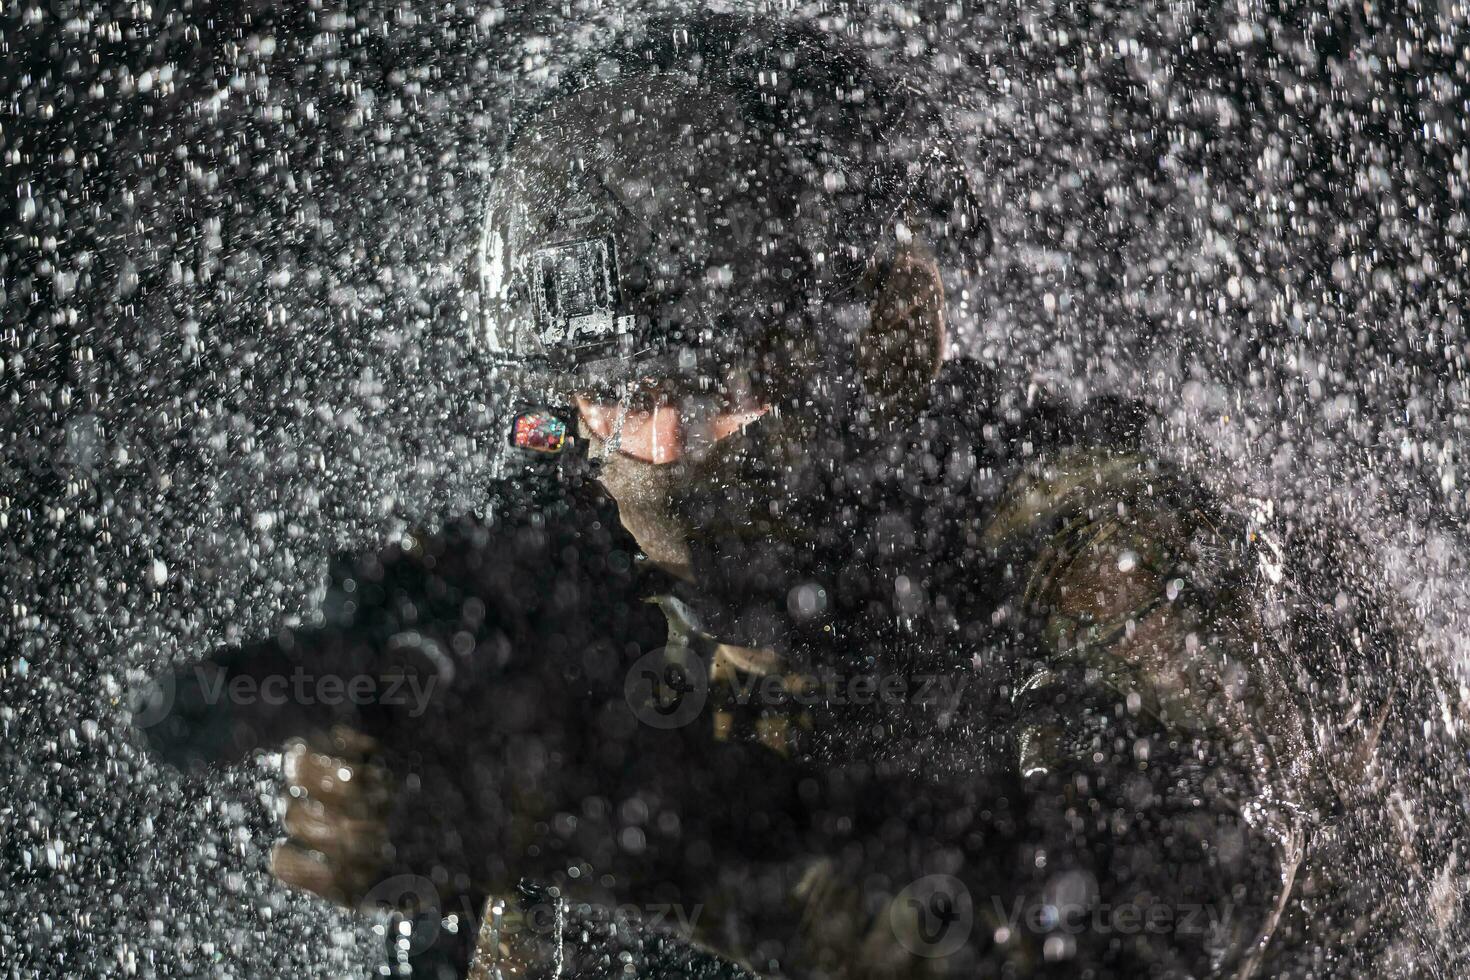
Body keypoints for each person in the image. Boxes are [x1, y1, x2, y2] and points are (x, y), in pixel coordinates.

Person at [137, 13, 1450, 979]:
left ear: (875, 349)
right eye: (601, 388)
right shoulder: (566, 568)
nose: (653, 442)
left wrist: (633, 811)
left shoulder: (1097, 542)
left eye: (711, 378)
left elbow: (1140, 930)